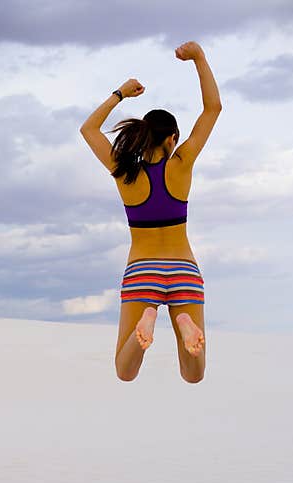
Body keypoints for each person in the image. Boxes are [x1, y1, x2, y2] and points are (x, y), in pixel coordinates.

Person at [79, 40, 221, 384]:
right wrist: (199, 58)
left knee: (124, 371)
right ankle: (185, 327)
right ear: (173, 138)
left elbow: (88, 130)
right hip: (184, 267)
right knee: (193, 375)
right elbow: (213, 108)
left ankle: (147, 319)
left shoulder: (124, 172)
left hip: (142, 268)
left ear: (143, 136)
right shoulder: (182, 164)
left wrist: (121, 93)